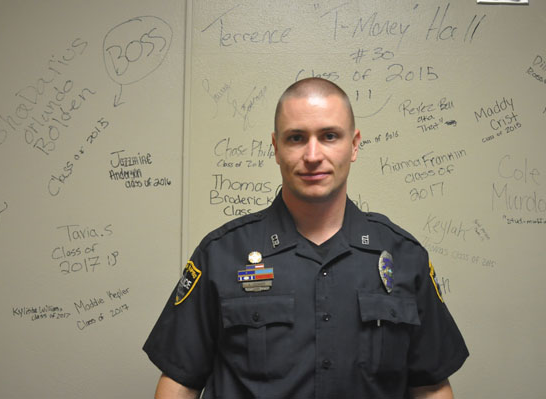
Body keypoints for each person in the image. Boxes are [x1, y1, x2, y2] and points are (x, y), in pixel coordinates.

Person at [144, 77, 468, 398]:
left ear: (354, 145)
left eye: (329, 136)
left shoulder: (404, 257)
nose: (313, 155)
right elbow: (179, 384)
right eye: (296, 138)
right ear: (275, 147)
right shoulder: (221, 255)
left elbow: (430, 386)